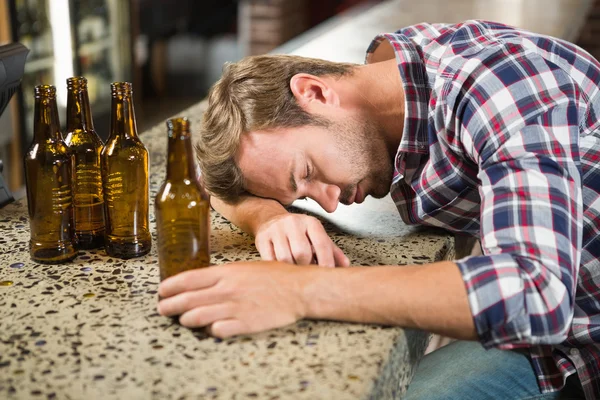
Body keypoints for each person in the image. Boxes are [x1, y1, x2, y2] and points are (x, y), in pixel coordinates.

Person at [156, 20, 600, 399]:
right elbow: (205, 184)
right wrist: (269, 215)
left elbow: (534, 294)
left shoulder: (499, 85)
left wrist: (298, 290)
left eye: (307, 172)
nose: (327, 201)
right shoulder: (397, 80)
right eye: (302, 196)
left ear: (314, 91)